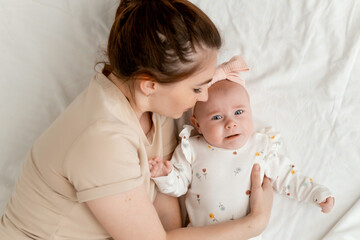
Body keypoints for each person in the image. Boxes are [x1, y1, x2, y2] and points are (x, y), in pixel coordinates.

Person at [0, 1, 273, 239]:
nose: (203, 98)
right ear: (149, 84)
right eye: (196, 88)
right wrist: (254, 223)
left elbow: (162, 205)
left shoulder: (155, 108)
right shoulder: (103, 139)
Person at [149, 55, 335, 233]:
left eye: (238, 112)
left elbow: (288, 177)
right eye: (217, 117)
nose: (230, 123)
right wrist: (165, 174)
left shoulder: (261, 147)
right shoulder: (191, 149)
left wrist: (316, 193)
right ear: (197, 124)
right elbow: (178, 186)